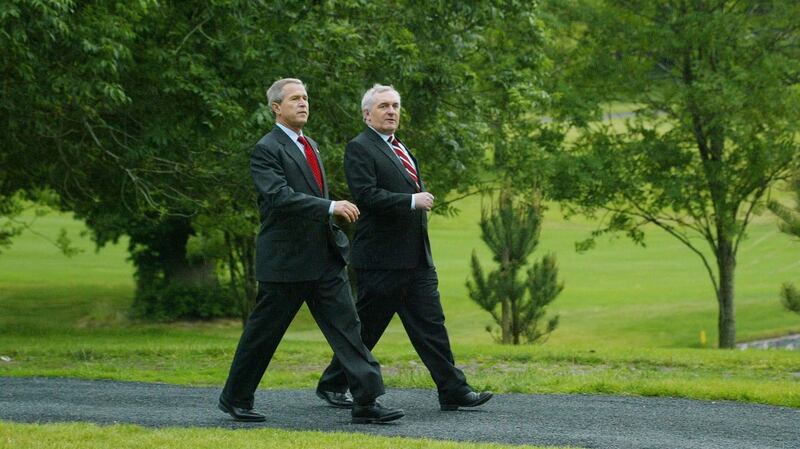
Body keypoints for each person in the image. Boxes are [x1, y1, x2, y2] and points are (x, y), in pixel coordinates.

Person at [218, 78, 403, 424]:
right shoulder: (267, 149)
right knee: (262, 336)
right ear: (276, 108)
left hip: (324, 260)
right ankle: (236, 398)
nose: (303, 103)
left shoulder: (310, 145)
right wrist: (330, 207)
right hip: (285, 264)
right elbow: (279, 197)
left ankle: (366, 402)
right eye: (294, 99)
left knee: (349, 331)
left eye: (305, 98)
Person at [316, 84, 492, 411]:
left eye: (395, 106)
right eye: (384, 106)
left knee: (431, 326)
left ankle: (453, 389)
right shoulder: (360, 147)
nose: (391, 111)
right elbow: (366, 195)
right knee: (367, 328)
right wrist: (411, 200)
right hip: (381, 260)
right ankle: (333, 383)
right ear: (367, 114)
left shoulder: (401, 148)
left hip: (417, 259)